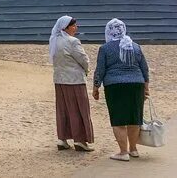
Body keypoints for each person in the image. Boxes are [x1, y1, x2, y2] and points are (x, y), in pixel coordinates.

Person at [92, 18, 150, 162]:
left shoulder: (105, 48)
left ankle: (123, 152)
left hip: (115, 85)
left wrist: (96, 87)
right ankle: (133, 149)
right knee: (134, 118)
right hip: (136, 84)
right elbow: (144, 68)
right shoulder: (135, 46)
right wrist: (146, 88)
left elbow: (100, 70)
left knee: (118, 119)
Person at [49, 15, 94, 152]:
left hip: (60, 80)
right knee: (78, 110)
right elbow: (83, 59)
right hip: (75, 80)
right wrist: (87, 69)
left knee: (63, 110)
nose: (76, 28)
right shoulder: (72, 41)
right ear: (66, 28)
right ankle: (80, 140)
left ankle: (62, 138)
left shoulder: (54, 41)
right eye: (73, 26)